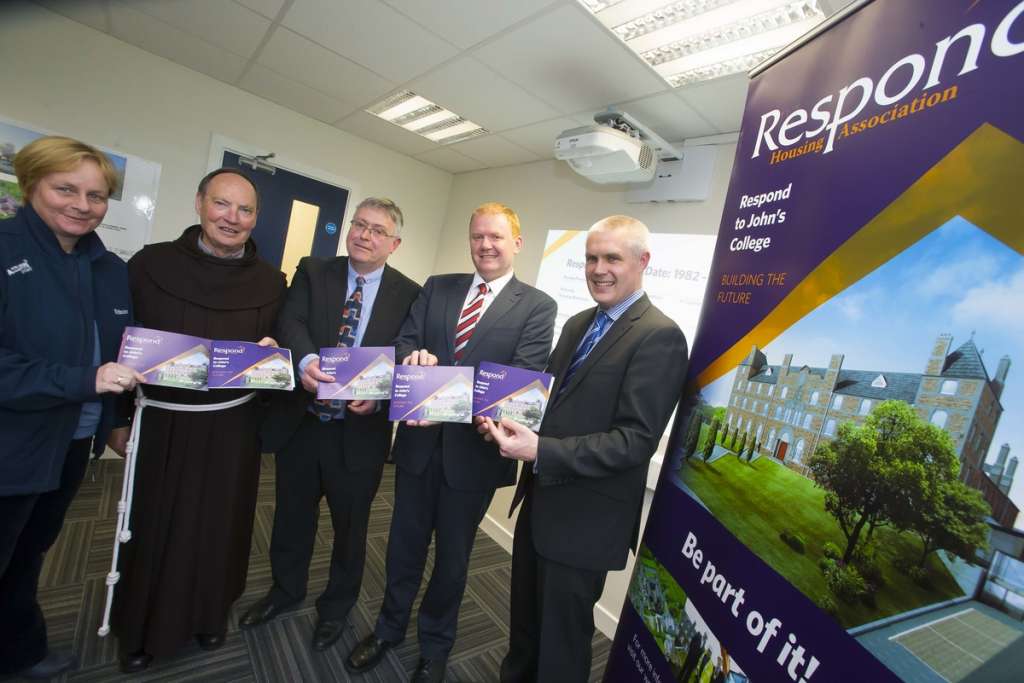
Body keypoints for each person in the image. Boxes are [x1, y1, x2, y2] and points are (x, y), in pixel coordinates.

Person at [346, 202, 556, 682]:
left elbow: (520, 377)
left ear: (516, 244)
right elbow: (404, 344)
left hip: (475, 457)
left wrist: (447, 390)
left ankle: (435, 648)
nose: (486, 245)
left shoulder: (537, 307)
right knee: (403, 547)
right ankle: (388, 629)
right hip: (419, 447)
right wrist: (414, 358)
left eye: (497, 237)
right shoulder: (439, 287)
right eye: (478, 236)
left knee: (453, 560)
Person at [484, 215, 689, 683]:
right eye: (592, 258)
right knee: (525, 633)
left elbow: (634, 441)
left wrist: (541, 450)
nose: (599, 269)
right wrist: (505, 418)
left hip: (585, 526)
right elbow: (550, 405)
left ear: (643, 262)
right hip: (540, 507)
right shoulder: (579, 322)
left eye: (612, 258)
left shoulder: (659, 335)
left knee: (561, 649)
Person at [110, 168, 286, 672]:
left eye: (245, 210)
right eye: (222, 204)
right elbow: (122, 345)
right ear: (199, 203)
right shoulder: (150, 264)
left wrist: (276, 355)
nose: (233, 218)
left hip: (233, 428)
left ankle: (210, 615)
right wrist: (118, 419)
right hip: (163, 424)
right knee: (153, 525)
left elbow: (278, 354)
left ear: (256, 218)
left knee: (220, 525)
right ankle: (140, 630)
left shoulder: (272, 282)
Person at [240, 198, 420, 652]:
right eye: (359, 225)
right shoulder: (313, 269)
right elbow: (291, 320)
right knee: (290, 517)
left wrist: (377, 396)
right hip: (303, 422)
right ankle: (285, 590)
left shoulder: (411, 293)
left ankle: (335, 608)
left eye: (377, 230)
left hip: (359, 434)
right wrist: (306, 358)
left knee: (351, 529)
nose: (364, 235)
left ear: (394, 243)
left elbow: (404, 349)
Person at [0, 136, 143, 679]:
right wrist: (83, 379)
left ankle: (17, 654)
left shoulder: (107, 267)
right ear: (31, 183)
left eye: (98, 195)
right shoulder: (5, 248)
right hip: (11, 442)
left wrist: (114, 421)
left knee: (28, 554)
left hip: (70, 444)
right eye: (67, 189)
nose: (83, 205)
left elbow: (117, 355)